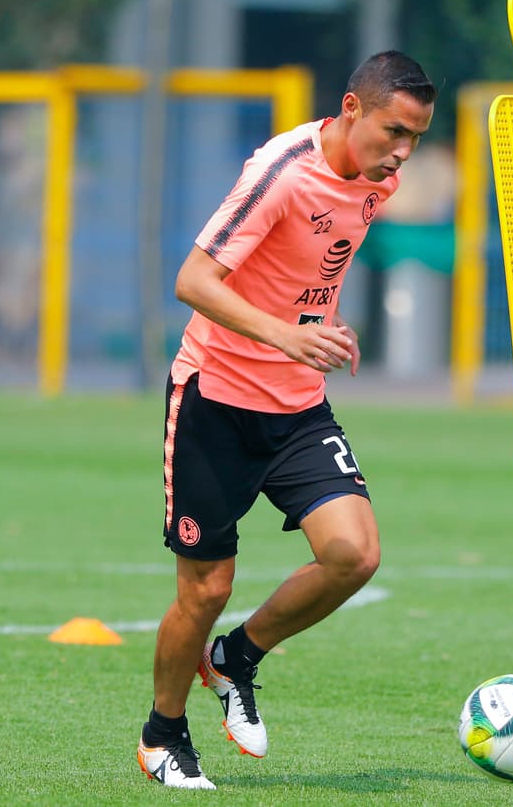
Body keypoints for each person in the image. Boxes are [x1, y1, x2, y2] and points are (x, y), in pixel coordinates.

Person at [136, 50, 437, 789]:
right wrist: (288, 334)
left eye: (416, 139)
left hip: (297, 403)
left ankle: (239, 656)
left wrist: (323, 327)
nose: (401, 153)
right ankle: (162, 733)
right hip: (216, 398)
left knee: (354, 554)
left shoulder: (378, 180)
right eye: (393, 131)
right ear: (352, 108)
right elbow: (193, 279)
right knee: (204, 590)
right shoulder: (279, 170)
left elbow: (310, 269)